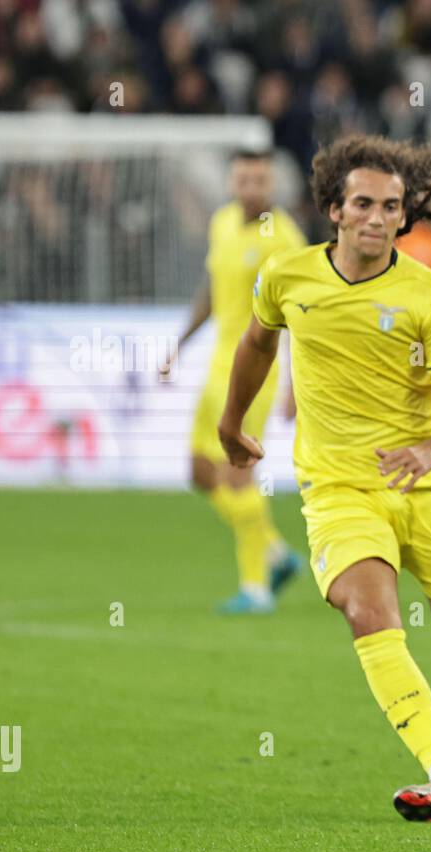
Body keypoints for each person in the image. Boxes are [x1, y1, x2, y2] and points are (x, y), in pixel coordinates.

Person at [218, 133, 431, 822]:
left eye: (391, 207)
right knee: (367, 609)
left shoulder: (429, 296)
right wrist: (233, 423)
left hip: (430, 486)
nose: (378, 217)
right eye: (363, 204)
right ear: (334, 210)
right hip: (338, 486)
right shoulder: (289, 279)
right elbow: (257, 342)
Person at [170, 150, 307, 614]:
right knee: (198, 472)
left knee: (237, 476)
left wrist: (294, 384)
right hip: (215, 368)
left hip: (256, 374)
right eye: (244, 178)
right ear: (232, 181)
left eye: (260, 179)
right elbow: (210, 291)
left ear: (272, 184)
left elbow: (297, 316)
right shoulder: (223, 222)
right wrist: (180, 345)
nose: (251, 187)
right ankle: (276, 552)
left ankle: (256, 588)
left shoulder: (285, 239)